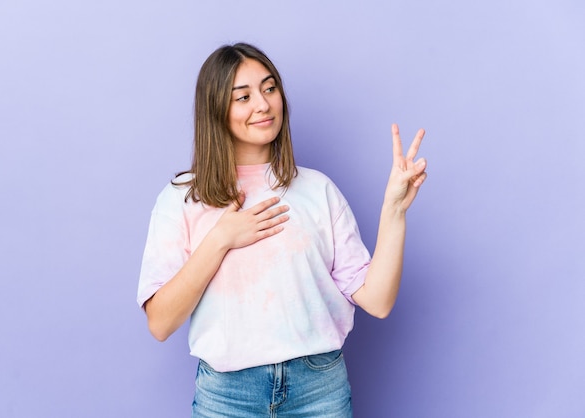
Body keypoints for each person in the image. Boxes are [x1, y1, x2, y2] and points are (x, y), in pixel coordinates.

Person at [137, 42, 427, 417]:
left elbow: (379, 300)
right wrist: (221, 238)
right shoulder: (182, 198)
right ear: (215, 109)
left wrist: (394, 211)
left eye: (269, 88)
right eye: (242, 96)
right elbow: (160, 323)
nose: (263, 104)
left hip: (318, 390)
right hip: (227, 397)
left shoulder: (318, 190)